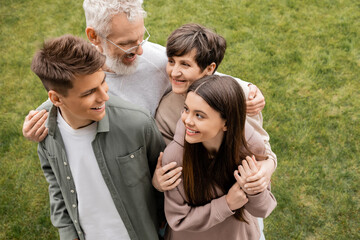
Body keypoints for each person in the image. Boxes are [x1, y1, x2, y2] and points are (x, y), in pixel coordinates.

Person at [22, 0, 265, 143]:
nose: (139, 51)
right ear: (94, 36)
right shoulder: (80, 79)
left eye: (142, 38)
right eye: (127, 44)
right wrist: (34, 127)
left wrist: (246, 89)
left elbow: (200, 75)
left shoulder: (156, 59)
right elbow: (63, 98)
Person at [31, 34, 165, 240]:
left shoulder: (137, 123)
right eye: (89, 93)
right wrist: (67, 231)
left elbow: (165, 187)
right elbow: (56, 183)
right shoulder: (45, 131)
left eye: (103, 81)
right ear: (56, 98)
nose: (104, 96)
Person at [153, 24, 276, 196]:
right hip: (200, 195)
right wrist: (157, 182)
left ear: (209, 69)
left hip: (243, 188)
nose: (174, 72)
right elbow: (169, 164)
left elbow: (261, 147)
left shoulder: (242, 95)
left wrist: (268, 166)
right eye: (171, 61)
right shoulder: (166, 112)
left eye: (185, 65)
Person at [162, 75, 277, 240]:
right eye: (186, 109)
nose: (187, 120)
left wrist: (255, 189)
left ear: (227, 123)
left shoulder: (250, 145)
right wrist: (227, 204)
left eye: (199, 115)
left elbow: (263, 209)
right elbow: (178, 219)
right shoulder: (174, 158)